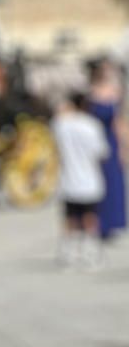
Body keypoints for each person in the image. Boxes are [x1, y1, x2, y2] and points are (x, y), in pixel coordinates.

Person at [53, 88, 111, 268]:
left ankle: (69, 255)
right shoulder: (92, 125)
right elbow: (102, 153)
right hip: (89, 180)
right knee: (90, 217)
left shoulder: (62, 124)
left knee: (70, 219)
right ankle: (90, 254)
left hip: (68, 180)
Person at [87, 58, 126, 242]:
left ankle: (111, 224)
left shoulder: (115, 91)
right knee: (97, 183)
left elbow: (119, 121)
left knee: (113, 183)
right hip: (95, 138)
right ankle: (97, 223)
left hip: (111, 140)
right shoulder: (90, 91)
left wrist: (124, 145)